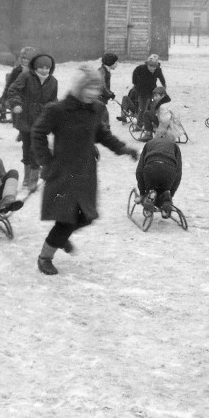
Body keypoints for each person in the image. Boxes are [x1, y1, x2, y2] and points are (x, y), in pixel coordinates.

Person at [31, 67, 138, 276]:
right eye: (89, 88)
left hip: (86, 171)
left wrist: (123, 148)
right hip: (62, 171)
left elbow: (101, 134)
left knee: (87, 216)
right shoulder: (58, 110)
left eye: (96, 88)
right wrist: (46, 161)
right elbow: (38, 132)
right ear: (79, 87)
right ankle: (45, 257)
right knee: (66, 219)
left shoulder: (96, 109)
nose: (93, 93)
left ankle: (60, 238)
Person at [6, 53, 58, 192]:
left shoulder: (53, 81)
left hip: (41, 119)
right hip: (25, 116)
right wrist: (16, 104)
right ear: (35, 67)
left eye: (47, 68)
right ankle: (27, 176)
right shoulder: (26, 77)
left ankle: (33, 179)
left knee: (35, 148)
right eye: (41, 67)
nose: (44, 70)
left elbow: (53, 100)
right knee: (26, 146)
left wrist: (55, 113)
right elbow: (13, 90)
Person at [135, 130, 182, 219]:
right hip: (169, 169)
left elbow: (139, 170)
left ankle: (151, 192)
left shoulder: (149, 143)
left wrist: (142, 192)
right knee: (165, 188)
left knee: (151, 183)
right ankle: (166, 197)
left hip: (151, 166)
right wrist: (171, 193)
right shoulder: (174, 146)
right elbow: (178, 172)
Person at [0, 46, 36, 121]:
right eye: (23, 58)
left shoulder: (36, 72)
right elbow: (9, 86)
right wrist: (4, 98)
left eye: (27, 59)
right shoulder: (16, 71)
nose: (25, 60)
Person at [132, 54, 167, 137]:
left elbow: (161, 78)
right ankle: (139, 125)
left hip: (152, 91)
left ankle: (150, 124)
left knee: (152, 107)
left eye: (154, 67)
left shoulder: (158, 70)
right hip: (142, 91)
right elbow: (134, 76)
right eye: (150, 66)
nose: (153, 69)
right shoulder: (140, 68)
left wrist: (164, 86)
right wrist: (136, 84)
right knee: (142, 108)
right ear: (147, 64)